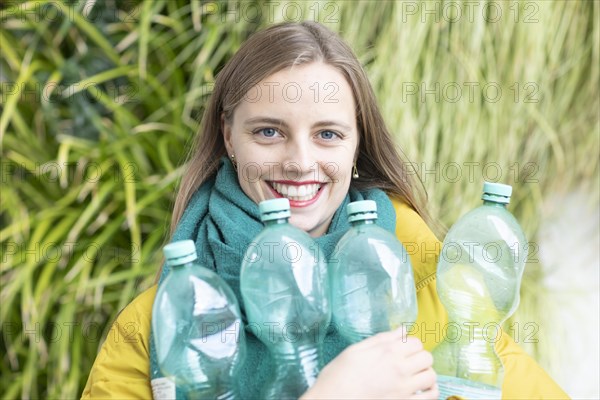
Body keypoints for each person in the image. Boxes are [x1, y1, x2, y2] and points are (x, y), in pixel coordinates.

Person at [82, 21, 568, 399]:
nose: (299, 163)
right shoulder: (157, 326)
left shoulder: (438, 286)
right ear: (229, 135)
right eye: (268, 132)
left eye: (327, 134)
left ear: (357, 145)